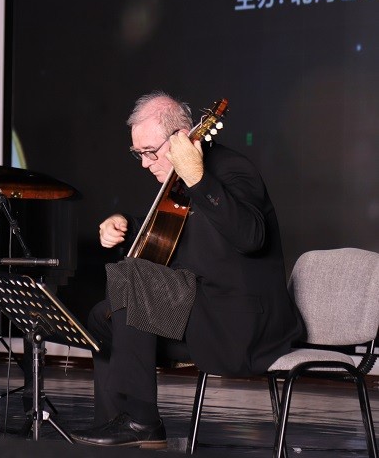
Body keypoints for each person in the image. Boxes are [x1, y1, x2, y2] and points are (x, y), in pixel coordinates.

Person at [71, 91, 303, 449]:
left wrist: (199, 179)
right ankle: (116, 423)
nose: (144, 163)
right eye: (138, 153)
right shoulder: (177, 184)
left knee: (132, 279)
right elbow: (172, 234)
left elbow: (251, 237)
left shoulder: (231, 169)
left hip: (241, 328)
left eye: (150, 151)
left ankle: (143, 421)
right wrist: (124, 224)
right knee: (102, 317)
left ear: (181, 137)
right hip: (200, 316)